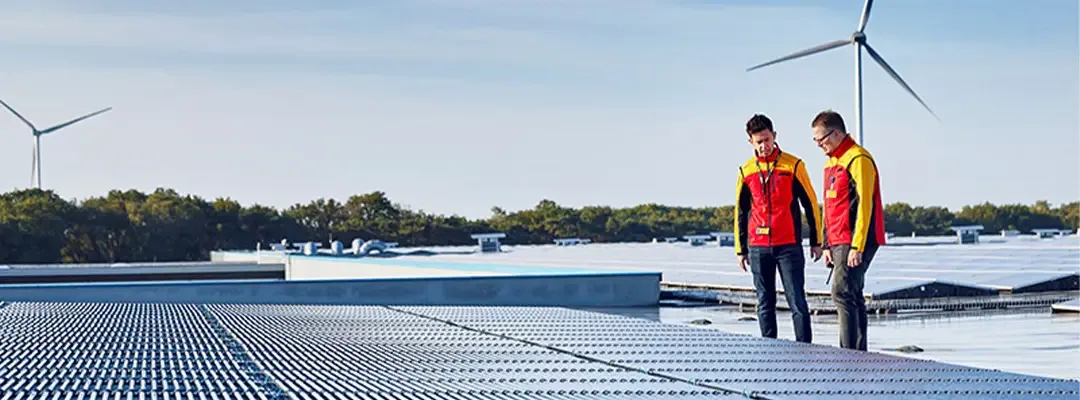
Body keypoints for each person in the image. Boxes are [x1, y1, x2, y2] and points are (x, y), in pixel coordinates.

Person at [734, 114, 823, 344]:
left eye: (766, 139)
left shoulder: (793, 165)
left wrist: (816, 240)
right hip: (757, 247)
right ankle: (768, 351)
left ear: (774, 135)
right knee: (764, 302)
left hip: (788, 246)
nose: (764, 146)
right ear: (750, 142)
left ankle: (804, 351)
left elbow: (810, 204)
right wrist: (740, 249)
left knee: (797, 301)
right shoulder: (746, 171)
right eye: (758, 142)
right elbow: (741, 212)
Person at [810, 110, 886, 351]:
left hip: (855, 237)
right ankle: (857, 353)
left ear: (836, 132)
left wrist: (857, 246)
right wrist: (826, 245)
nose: (819, 145)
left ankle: (848, 354)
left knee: (841, 292)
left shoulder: (858, 159)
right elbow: (829, 206)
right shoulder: (832, 162)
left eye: (822, 139)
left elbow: (865, 205)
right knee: (851, 293)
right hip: (838, 239)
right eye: (816, 141)